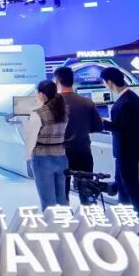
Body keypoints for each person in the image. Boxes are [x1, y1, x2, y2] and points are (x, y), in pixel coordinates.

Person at [101, 67, 139, 220]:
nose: (104, 85)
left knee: (130, 186)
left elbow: (125, 129)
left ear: (110, 82)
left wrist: (104, 124)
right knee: (122, 185)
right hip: (128, 151)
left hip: (127, 151)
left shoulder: (126, 102)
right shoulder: (130, 98)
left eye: (104, 82)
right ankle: (125, 216)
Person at [54, 66, 105, 199]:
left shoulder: (52, 104)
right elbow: (98, 127)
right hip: (83, 152)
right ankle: (88, 210)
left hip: (60, 153)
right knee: (87, 191)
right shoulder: (87, 102)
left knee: (61, 193)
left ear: (57, 82)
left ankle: (64, 212)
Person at [23, 80, 69, 209]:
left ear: (42, 94)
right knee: (61, 199)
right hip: (61, 157)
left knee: (48, 201)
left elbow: (30, 138)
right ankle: (64, 221)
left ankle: (51, 222)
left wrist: (27, 157)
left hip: (42, 159)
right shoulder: (63, 112)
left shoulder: (38, 113)